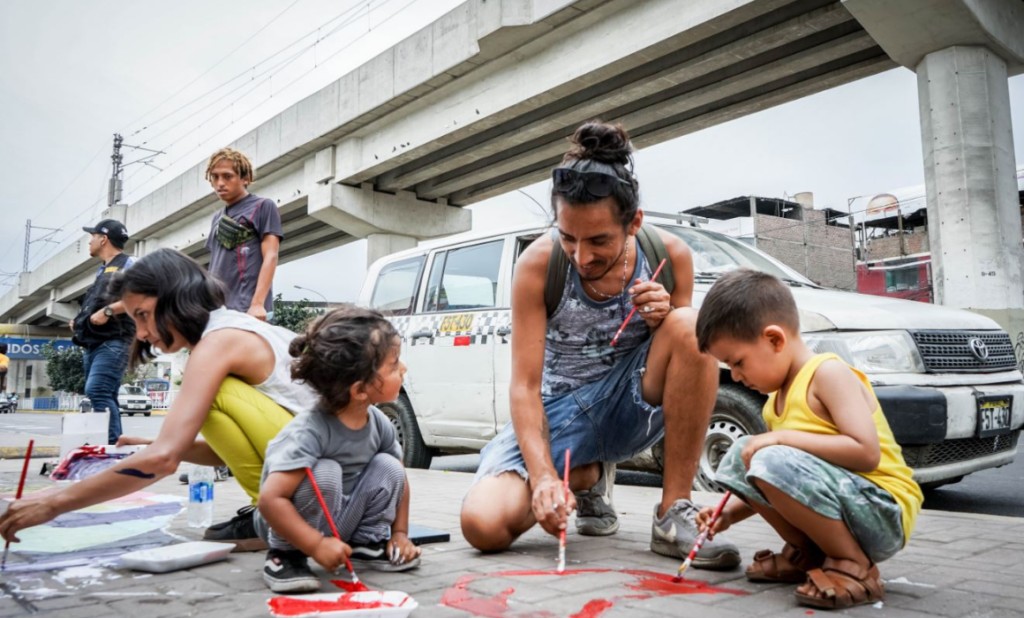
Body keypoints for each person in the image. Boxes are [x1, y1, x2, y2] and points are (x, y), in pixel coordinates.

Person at [459, 121, 739, 568]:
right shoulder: (538, 265)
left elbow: (686, 362)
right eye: (569, 237)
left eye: (599, 241)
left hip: (630, 405)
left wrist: (661, 318)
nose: (582, 256)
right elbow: (524, 387)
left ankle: (673, 514)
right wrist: (545, 478)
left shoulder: (671, 257)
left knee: (689, 324)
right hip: (558, 414)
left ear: (635, 223)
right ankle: (584, 475)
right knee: (483, 525)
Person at [0, 249, 319, 552]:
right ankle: (280, 510)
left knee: (213, 393)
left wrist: (53, 503)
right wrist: (152, 443)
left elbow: (164, 460)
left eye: (143, 315)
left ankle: (281, 516)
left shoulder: (218, 344)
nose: (139, 333)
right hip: (330, 471)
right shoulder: (232, 328)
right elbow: (235, 453)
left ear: (175, 299)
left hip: (324, 482)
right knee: (209, 400)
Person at [693, 269, 923, 609]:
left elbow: (866, 452)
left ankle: (854, 566)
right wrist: (729, 514)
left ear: (774, 339)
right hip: (846, 508)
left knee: (766, 452)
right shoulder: (775, 404)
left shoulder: (828, 374)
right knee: (744, 451)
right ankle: (810, 556)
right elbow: (774, 481)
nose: (737, 376)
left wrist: (782, 439)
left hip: (882, 511)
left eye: (737, 362)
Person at [257, 306, 420, 593]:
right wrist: (315, 544)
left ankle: (365, 542)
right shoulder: (309, 431)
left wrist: (400, 534)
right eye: (394, 366)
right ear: (359, 390)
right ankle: (285, 556)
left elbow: (400, 483)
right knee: (327, 470)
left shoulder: (379, 423)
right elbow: (271, 501)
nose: (403, 368)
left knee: (391, 465)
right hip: (287, 526)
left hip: (338, 520)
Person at [70, 219, 136, 444]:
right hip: (94, 343)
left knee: (97, 390)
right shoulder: (103, 270)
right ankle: (112, 449)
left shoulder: (128, 263)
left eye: (92, 236)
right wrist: (79, 320)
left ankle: (112, 450)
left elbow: (146, 295)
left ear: (103, 238)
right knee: (105, 395)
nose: (89, 241)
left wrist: (108, 311)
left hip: (114, 341)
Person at [205, 147, 282, 322]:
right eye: (215, 177)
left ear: (245, 178)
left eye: (227, 176)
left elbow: (271, 256)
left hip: (247, 310)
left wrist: (257, 304)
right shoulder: (217, 217)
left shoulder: (263, 206)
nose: (220, 183)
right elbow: (214, 266)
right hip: (217, 310)